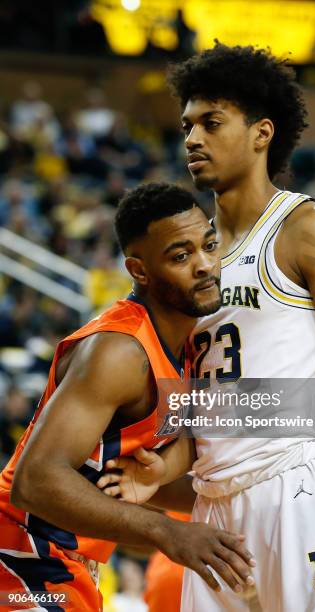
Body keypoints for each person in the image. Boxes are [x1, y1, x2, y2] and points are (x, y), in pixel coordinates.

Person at [100, 44, 315, 611]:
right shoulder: (190, 256)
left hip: (296, 488)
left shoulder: (308, 229)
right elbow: (209, 399)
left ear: (262, 133)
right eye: (187, 125)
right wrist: (166, 467)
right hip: (212, 510)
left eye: (211, 123)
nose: (192, 137)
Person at [0, 182, 256, 612]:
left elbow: (131, 482)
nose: (204, 264)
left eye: (209, 245)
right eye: (181, 255)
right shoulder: (119, 351)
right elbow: (34, 481)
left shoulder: (188, 349)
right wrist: (166, 532)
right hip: (20, 554)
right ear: (139, 271)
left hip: (68, 563)